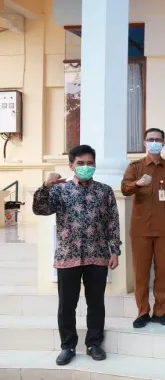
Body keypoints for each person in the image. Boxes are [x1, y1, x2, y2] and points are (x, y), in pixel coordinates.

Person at [32, 145, 121, 366]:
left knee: (96, 303)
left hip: (97, 255)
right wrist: (45, 185)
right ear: (71, 165)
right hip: (67, 256)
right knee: (67, 304)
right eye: (81, 163)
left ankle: (94, 343)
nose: (86, 167)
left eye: (90, 163)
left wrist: (115, 251)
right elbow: (39, 209)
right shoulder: (59, 190)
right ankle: (68, 346)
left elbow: (112, 222)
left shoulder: (105, 191)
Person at [121, 128, 165, 328]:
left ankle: (161, 311)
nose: (154, 142)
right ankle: (142, 311)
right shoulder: (135, 167)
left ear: (163, 143)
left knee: (164, 271)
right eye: (151, 139)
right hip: (140, 229)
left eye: (158, 139)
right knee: (141, 272)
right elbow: (124, 188)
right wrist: (137, 183)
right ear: (144, 142)